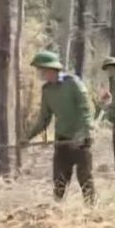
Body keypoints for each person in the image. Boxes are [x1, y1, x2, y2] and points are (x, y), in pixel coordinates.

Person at [24, 50, 96, 204]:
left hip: (80, 140)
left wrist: (84, 131)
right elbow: (44, 119)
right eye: (39, 70)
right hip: (62, 139)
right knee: (59, 180)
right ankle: (58, 211)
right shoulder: (47, 90)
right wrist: (27, 137)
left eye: (42, 70)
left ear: (51, 69)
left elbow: (86, 110)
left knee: (85, 177)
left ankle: (91, 211)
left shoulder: (73, 83)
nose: (40, 74)